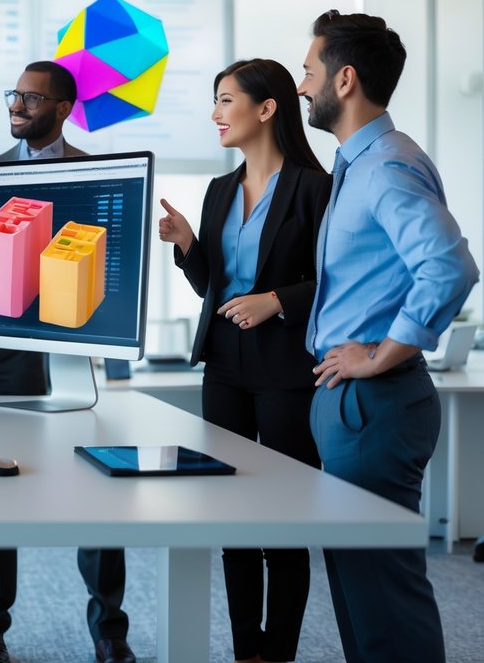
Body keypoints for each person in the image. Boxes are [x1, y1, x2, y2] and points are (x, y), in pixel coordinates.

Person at [0, 60, 136, 663]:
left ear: (63, 108)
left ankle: (109, 629)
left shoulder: (99, 178)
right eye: (14, 94)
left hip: (35, 354)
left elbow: (109, 267)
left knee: (83, 486)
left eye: (31, 97)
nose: (17, 105)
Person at [300, 10, 478, 662]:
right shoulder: (360, 163)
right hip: (350, 404)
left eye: (307, 72)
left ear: (342, 80)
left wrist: (379, 356)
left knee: (383, 594)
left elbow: (449, 266)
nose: (300, 86)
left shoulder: (385, 167)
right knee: (358, 588)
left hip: (373, 403)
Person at [157, 58, 329, 663]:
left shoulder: (316, 188)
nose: (215, 115)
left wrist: (277, 301)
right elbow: (217, 286)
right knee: (229, 510)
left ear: (266, 109)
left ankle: (277, 650)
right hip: (224, 366)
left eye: (226, 101)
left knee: (282, 519)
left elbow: (338, 279)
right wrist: (188, 246)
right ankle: (245, 651)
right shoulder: (219, 189)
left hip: (287, 370)